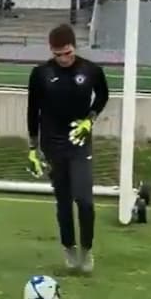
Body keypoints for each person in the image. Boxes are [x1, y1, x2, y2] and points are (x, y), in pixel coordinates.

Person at [25, 23, 109, 273]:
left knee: (84, 200)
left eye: (67, 53)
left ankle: (87, 249)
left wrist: (89, 120)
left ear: (75, 47)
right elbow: (33, 111)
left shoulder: (91, 71)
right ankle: (69, 248)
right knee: (63, 201)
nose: (63, 59)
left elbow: (103, 96)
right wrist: (32, 147)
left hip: (79, 141)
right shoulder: (40, 74)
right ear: (52, 52)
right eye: (58, 54)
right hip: (52, 144)